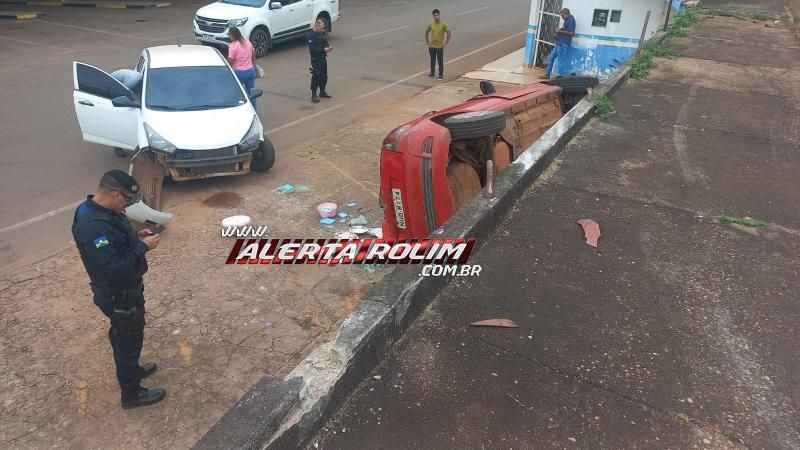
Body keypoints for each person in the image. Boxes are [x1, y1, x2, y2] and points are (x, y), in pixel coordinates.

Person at [72, 170, 165, 409]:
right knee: (128, 339)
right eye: (126, 199)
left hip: (124, 290)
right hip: (118, 294)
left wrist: (135, 236)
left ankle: (131, 369)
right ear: (114, 194)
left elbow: (113, 243)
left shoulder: (95, 209)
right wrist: (142, 248)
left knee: (125, 336)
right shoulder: (93, 228)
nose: (127, 205)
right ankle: (132, 394)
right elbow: (112, 269)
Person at [227, 26, 258, 108]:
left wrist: (227, 69)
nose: (229, 37)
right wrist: (254, 67)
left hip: (240, 73)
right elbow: (253, 56)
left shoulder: (233, 46)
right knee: (251, 93)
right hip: (251, 71)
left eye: (229, 35)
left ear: (233, 35)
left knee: (237, 93)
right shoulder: (248, 42)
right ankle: (254, 110)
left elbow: (230, 61)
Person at [543, 8, 575, 80]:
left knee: (561, 60)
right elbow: (565, 30)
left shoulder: (571, 20)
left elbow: (571, 33)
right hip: (559, 43)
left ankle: (561, 77)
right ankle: (547, 74)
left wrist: (560, 32)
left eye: (562, 16)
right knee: (551, 58)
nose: (562, 17)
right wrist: (558, 31)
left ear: (566, 14)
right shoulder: (567, 20)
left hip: (564, 44)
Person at [308, 19, 333, 103]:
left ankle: (322, 92)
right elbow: (312, 50)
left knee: (324, 76)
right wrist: (324, 49)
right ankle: (314, 95)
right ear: (317, 26)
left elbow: (326, 42)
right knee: (316, 77)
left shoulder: (321, 34)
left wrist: (329, 47)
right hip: (316, 59)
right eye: (322, 28)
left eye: (324, 28)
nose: (323, 30)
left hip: (323, 58)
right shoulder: (311, 36)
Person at [425, 9, 451, 81]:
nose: (436, 17)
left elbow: (448, 32)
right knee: (432, 60)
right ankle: (432, 73)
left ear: (439, 15)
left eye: (437, 15)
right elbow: (426, 32)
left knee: (440, 61)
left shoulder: (443, 24)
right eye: (435, 15)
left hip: (439, 46)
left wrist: (446, 43)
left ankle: (440, 75)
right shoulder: (431, 24)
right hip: (432, 46)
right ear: (433, 16)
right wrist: (427, 42)